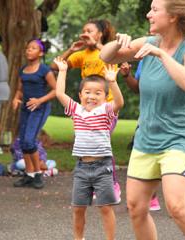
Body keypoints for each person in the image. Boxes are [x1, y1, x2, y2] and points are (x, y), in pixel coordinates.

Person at [100, 0, 185, 239]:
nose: (149, 14)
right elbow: (106, 57)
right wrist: (117, 43)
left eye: (154, 9)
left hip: (180, 139)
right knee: (136, 208)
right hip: (146, 140)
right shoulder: (148, 43)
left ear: (172, 17)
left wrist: (161, 54)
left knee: (178, 208)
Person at [50, 19, 122, 203]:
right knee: (89, 142)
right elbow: (55, 66)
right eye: (83, 30)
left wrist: (96, 44)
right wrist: (71, 50)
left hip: (106, 106)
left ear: (100, 34)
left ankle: (111, 184)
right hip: (87, 108)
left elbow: (112, 59)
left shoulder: (109, 50)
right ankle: (91, 182)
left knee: (102, 141)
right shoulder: (83, 54)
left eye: (89, 30)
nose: (85, 33)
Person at [54, 56, 123, 240]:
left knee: (106, 207)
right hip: (82, 168)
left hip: (103, 167)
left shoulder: (106, 111)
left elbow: (119, 102)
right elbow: (60, 94)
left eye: (97, 93)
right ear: (80, 95)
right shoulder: (76, 110)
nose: (91, 96)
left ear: (104, 96)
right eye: (87, 92)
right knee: (78, 208)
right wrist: (62, 71)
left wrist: (112, 82)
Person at [120, 61, 185, 212]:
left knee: (173, 170)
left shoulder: (183, 54)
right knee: (136, 204)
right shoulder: (146, 59)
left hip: (175, 128)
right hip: (148, 124)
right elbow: (138, 88)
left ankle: (184, 200)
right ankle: (152, 198)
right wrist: (127, 75)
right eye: (149, 34)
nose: (150, 36)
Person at [12, 39, 56, 189]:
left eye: (33, 48)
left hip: (40, 109)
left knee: (30, 141)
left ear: (41, 53)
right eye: (28, 48)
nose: (29, 50)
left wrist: (39, 100)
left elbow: (56, 90)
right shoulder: (23, 69)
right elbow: (19, 89)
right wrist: (16, 98)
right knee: (23, 141)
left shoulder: (45, 70)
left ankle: (38, 174)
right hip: (26, 108)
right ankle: (29, 175)